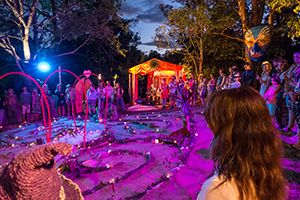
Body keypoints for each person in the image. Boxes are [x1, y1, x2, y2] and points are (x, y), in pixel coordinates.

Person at [198, 86, 288, 200]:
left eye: (214, 121)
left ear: (231, 129)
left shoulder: (218, 188)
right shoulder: (268, 175)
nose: (208, 126)